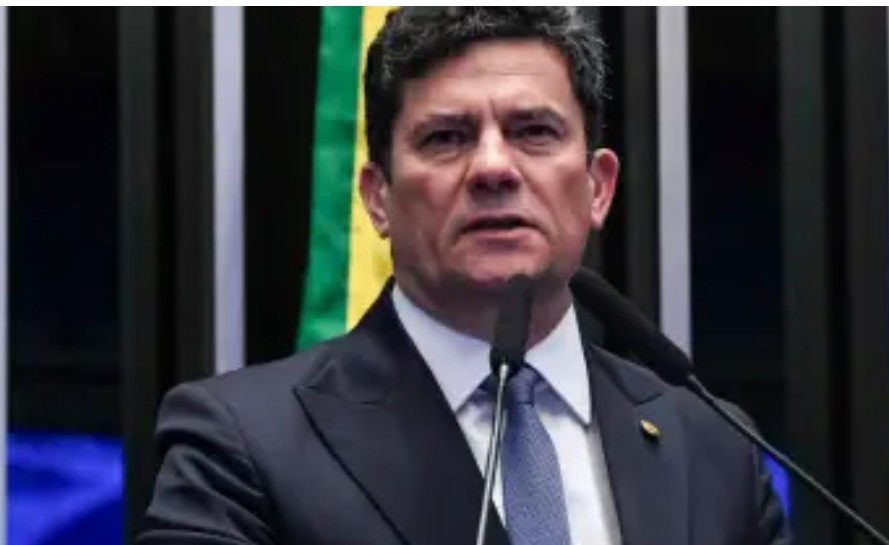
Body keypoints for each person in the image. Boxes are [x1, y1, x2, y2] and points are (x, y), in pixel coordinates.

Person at [138, 7, 791, 545]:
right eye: (446, 138)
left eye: (533, 131)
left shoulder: (713, 447)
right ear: (376, 198)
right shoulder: (242, 443)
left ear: (597, 188)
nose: (492, 168)